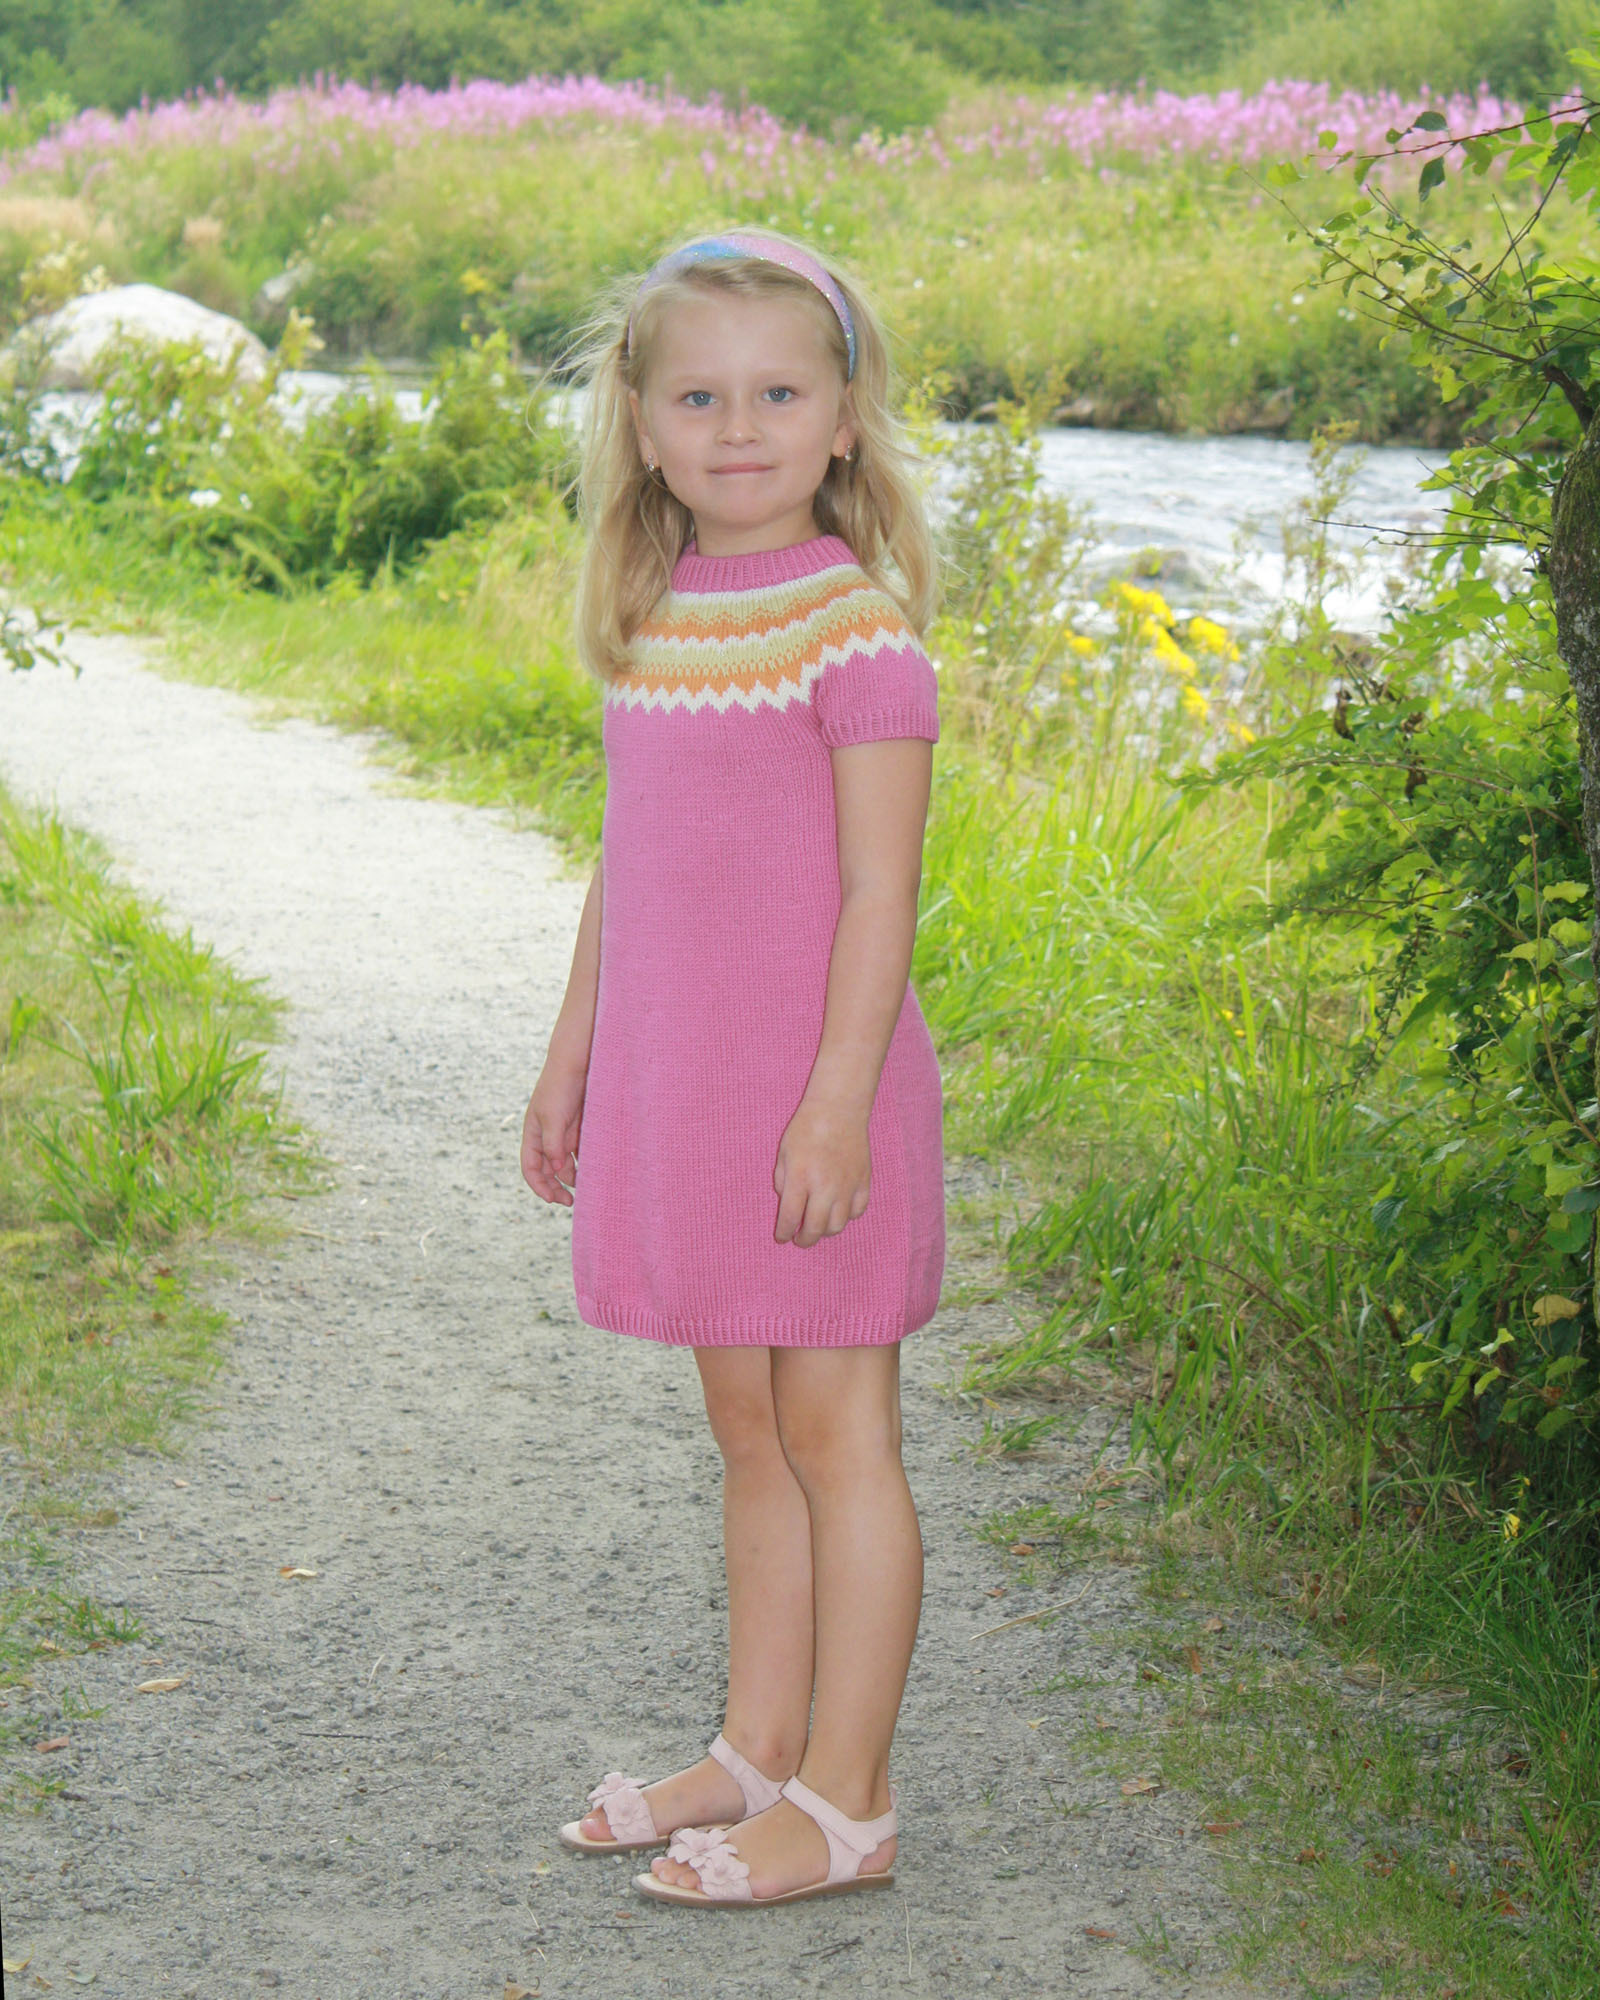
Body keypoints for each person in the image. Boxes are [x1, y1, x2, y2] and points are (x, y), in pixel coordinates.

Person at [520, 230, 943, 1910]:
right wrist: (574, 1053)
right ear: (640, 424)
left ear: (843, 420)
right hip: (690, 1095)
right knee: (749, 1432)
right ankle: (758, 1751)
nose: (739, 427)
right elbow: (628, 862)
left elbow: (880, 894)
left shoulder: (856, 635)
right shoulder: (653, 619)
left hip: (817, 1098)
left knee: (839, 1436)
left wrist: (836, 1103)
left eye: (778, 394)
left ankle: (850, 1801)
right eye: (699, 397)